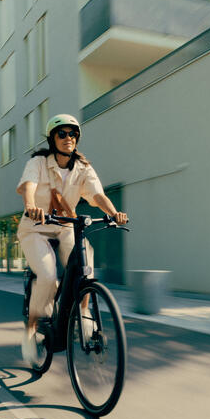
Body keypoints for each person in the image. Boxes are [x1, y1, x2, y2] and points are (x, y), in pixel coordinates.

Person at [16, 114, 128, 366]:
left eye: (73, 134)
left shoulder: (83, 168)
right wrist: (32, 206)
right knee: (46, 275)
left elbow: (97, 195)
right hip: (36, 226)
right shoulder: (39, 162)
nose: (69, 138)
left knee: (84, 266)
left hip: (66, 226)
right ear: (52, 139)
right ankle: (31, 330)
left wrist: (113, 214)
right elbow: (29, 186)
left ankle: (84, 312)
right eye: (62, 134)